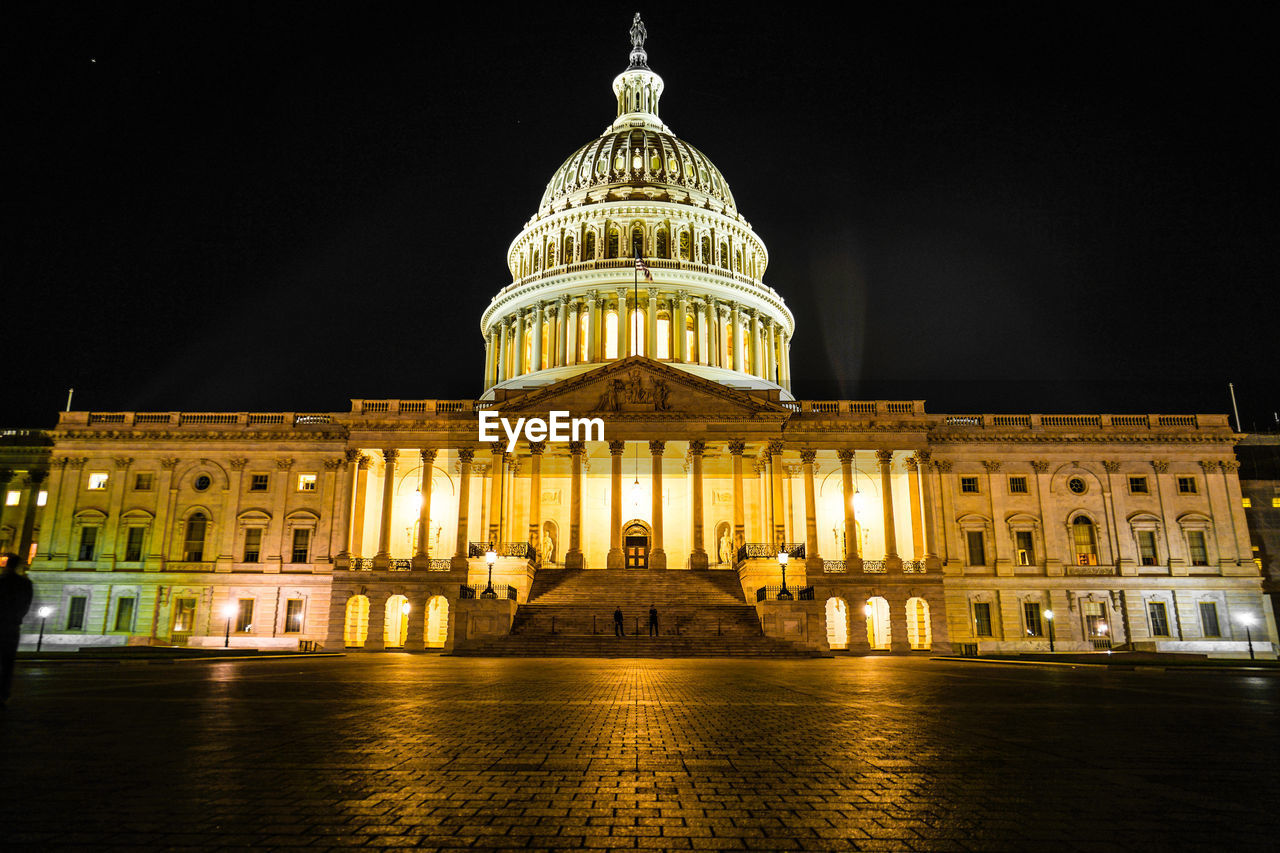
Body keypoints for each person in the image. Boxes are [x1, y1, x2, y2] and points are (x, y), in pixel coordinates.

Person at [0, 553, 35, 704]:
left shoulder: (1, 581)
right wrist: (17, 618)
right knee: (8, 662)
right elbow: (26, 605)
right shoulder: (24, 583)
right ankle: (3, 694)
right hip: (12, 626)